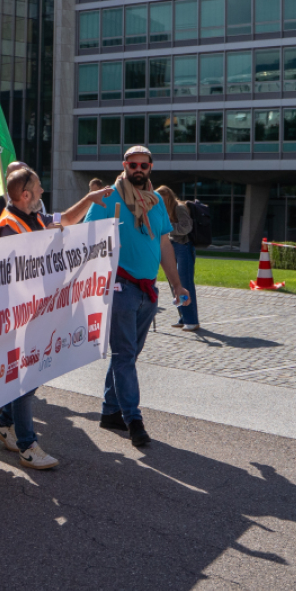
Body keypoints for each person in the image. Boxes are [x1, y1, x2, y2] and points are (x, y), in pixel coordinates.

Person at [63, 146, 189, 449]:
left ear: (150, 167)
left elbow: (164, 243)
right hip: (120, 287)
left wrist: (177, 285)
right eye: (133, 164)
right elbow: (85, 236)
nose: (138, 169)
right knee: (124, 356)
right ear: (124, 165)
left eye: (144, 165)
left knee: (128, 355)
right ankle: (134, 420)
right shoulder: (108, 197)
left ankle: (110, 412)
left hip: (148, 291)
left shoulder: (157, 201)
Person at [0, 167, 59, 471]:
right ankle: (27, 445)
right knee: (24, 379)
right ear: (25, 194)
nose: (43, 191)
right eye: (39, 187)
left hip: (35, 312)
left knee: (33, 374)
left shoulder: (34, 219)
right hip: (18, 317)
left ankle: (5, 423)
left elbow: (63, 222)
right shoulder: (7, 226)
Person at [158, 185, 199, 332]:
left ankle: (192, 320)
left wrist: (167, 227)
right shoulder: (164, 210)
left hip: (183, 246)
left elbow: (186, 227)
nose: (160, 202)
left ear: (168, 197)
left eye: (162, 199)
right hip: (172, 246)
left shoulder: (179, 208)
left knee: (185, 282)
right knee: (174, 282)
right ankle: (183, 316)